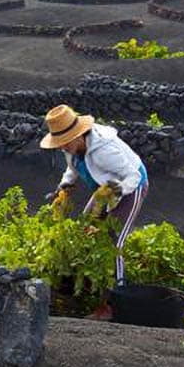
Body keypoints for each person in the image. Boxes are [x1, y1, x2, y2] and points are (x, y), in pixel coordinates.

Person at [40, 104, 149, 290]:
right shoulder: (70, 148)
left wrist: (118, 191)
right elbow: (72, 168)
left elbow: (133, 176)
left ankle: (119, 292)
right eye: (60, 143)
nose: (63, 147)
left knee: (113, 240)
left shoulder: (103, 152)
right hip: (104, 187)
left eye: (66, 142)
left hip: (131, 186)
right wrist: (64, 187)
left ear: (78, 134)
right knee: (86, 230)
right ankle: (91, 286)